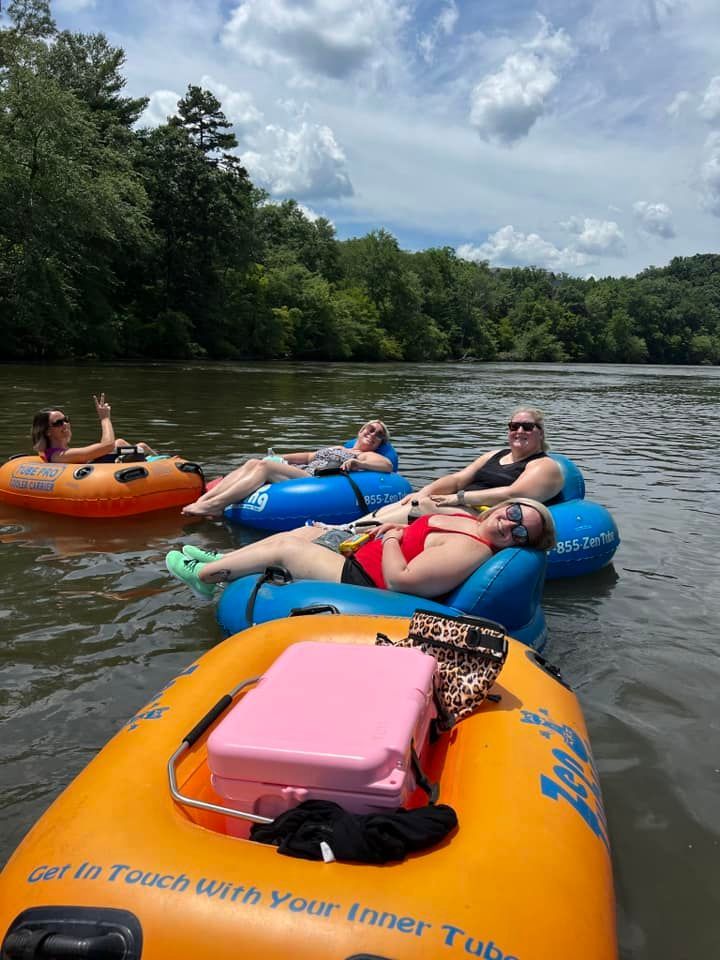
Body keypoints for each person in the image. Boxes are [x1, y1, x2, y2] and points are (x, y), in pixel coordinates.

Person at [165, 497, 557, 600]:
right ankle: (223, 561)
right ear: (510, 505)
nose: (511, 525)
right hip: (361, 557)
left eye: (521, 533)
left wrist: (389, 538)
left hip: (365, 581)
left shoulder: (471, 549)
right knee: (306, 533)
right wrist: (384, 527)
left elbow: (401, 580)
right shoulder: (473, 520)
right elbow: (417, 524)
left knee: (287, 546)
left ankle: (202, 577)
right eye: (516, 513)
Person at [336, 407, 564, 528]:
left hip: (488, 515)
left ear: (540, 433)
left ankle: (351, 531)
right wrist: (424, 491)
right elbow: (457, 479)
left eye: (527, 427)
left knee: (423, 505)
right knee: (414, 499)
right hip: (463, 504)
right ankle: (348, 527)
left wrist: (458, 498)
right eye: (514, 426)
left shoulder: (543, 465)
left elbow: (512, 493)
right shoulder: (494, 454)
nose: (520, 431)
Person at [181, 420, 394, 519]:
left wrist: (360, 463)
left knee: (264, 467)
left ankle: (216, 505)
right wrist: (279, 457)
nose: (373, 434)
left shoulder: (367, 455)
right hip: (303, 469)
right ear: (360, 430)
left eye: (379, 435)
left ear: (380, 443)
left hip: (316, 480)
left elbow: (387, 465)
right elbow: (310, 456)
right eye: (371, 429)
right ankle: (204, 502)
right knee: (254, 462)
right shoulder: (338, 447)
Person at [31, 394, 156, 464]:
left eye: (66, 420)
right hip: (97, 477)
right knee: (139, 448)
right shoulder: (57, 455)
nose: (65, 424)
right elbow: (107, 445)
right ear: (47, 431)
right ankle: (163, 467)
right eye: (58, 423)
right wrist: (105, 418)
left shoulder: (62, 452)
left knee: (121, 443)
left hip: (97, 468)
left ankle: (163, 463)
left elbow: (105, 448)